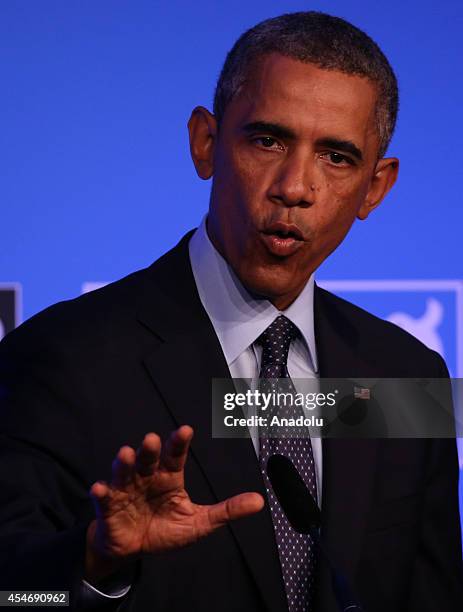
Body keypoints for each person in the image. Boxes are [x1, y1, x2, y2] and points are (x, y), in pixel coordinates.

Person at [0, 11, 462, 612]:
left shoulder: (405, 378)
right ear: (207, 143)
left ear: (376, 187)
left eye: (337, 157)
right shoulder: (61, 359)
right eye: (268, 140)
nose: (296, 186)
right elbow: (14, 593)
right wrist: (96, 565)